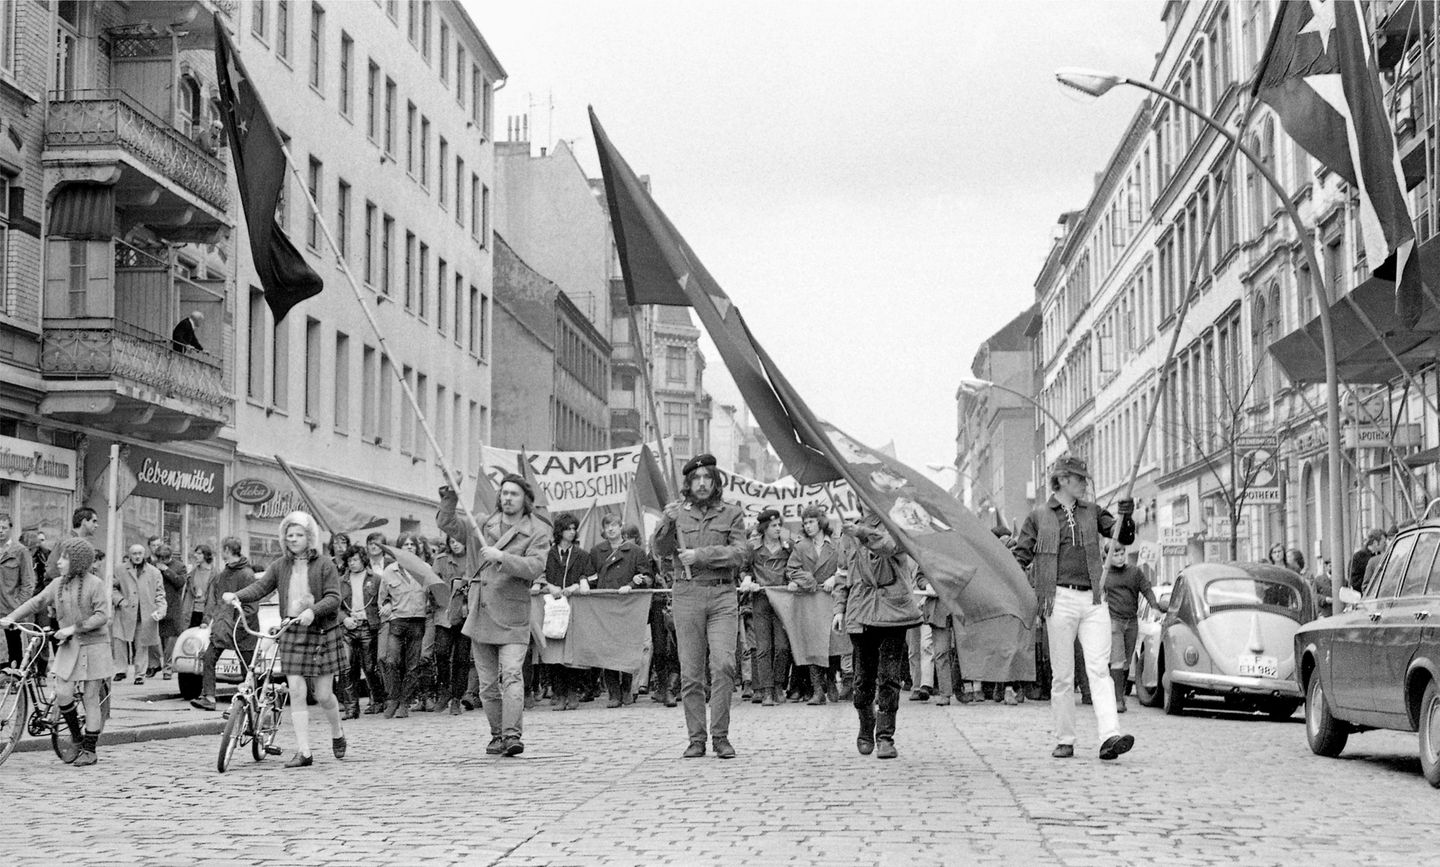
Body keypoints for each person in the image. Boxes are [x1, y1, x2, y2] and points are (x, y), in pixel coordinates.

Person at [1011, 455, 1137, 761]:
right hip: (1058, 600)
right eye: (1080, 479)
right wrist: (1008, 584)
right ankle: (1065, 738)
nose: (1084, 483)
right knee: (1064, 675)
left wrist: (1126, 516)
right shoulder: (1039, 516)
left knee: (1099, 669)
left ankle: (1110, 735)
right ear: (1063, 479)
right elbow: (1021, 557)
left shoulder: (1092, 512)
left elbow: (1123, 536)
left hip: (1094, 599)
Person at [437, 474, 549, 758]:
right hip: (482, 612)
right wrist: (451, 492)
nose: (507, 498)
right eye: (504, 493)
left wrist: (501, 557)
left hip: (513, 615)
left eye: (514, 494)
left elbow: (535, 566)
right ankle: (498, 734)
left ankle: (512, 735)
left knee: (511, 675)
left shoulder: (537, 530)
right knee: (487, 685)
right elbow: (447, 524)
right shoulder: (483, 524)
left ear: (526, 499)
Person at [225, 511, 347, 768]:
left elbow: (334, 597)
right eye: (289, 535)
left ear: (309, 537)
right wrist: (236, 596)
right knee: (297, 692)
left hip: (322, 631)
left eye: (299, 534)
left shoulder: (325, 564)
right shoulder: (280, 565)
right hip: (292, 630)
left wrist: (312, 611)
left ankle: (337, 732)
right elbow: (261, 588)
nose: (293, 539)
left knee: (324, 695)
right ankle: (304, 752)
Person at [652, 453, 747, 759]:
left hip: (722, 595)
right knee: (691, 673)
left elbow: (740, 554)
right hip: (687, 594)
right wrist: (666, 523)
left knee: (723, 665)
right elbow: (659, 550)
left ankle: (720, 736)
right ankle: (696, 738)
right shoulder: (677, 513)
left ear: (716, 482)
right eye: (696, 479)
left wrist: (701, 555)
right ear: (688, 484)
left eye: (708, 478)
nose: (702, 484)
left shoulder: (731, 513)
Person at [3, 537, 114, 765]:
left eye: (65, 557)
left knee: (91, 697)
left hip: (94, 646)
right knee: (63, 692)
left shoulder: (95, 584)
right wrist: (11, 617)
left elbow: (103, 615)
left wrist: (73, 628)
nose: (60, 562)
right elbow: (37, 602)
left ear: (77, 561)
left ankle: (90, 750)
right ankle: (76, 737)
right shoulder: (58, 583)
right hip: (70, 646)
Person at [832, 513, 923, 759]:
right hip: (860, 609)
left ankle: (885, 736)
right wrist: (839, 608)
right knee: (862, 678)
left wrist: (860, 532)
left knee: (889, 676)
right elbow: (842, 574)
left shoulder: (895, 524)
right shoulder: (849, 531)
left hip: (894, 609)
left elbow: (889, 546)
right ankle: (865, 724)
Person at [588, 513, 653, 707]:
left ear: (620, 527)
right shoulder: (596, 551)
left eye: (614, 525)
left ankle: (627, 690)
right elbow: (591, 577)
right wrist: (584, 584)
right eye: (607, 525)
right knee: (608, 649)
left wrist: (634, 583)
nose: (610, 529)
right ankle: (613, 693)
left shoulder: (635, 551)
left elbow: (648, 576)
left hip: (628, 606)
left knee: (627, 648)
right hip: (605, 606)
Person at [191, 537, 258, 712]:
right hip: (224, 626)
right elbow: (215, 601)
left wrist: (239, 625)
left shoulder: (246, 574)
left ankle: (254, 706)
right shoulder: (223, 574)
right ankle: (209, 697)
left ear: (227, 550)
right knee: (209, 658)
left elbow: (251, 606)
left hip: (241, 629)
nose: (221, 553)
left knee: (247, 669)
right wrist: (210, 622)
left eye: (223, 549)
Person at [740, 508, 797, 707]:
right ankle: (766, 690)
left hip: (782, 598)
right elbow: (745, 569)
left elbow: (793, 568)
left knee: (782, 646)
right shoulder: (753, 547)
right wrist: (748, 580)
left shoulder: (787, 547)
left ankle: (779, 685)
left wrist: (792, 581)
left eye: (779, 525)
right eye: (773, 525)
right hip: (761, 598)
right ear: (764, 527)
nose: (777, 529)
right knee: (763, 647)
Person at [539, 513, 595, 711]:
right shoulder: (548, 553)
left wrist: (577, 585)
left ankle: (573, 692)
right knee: (554, 651)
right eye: (568, 528)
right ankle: (559, 693)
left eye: (574, 529)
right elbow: (538, 575)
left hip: (573, 607)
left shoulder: (581, 554)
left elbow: (591, 577)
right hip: (552, 607)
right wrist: (549, 586)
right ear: (559, 531)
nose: (572, 532)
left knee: (571, 652)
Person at [1101, 540, 1163, 714]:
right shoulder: (1104, 574)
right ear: (1108, 556)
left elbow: (1147, 589)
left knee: (1127, 662)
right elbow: (1096, 594)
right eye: (1115, 554)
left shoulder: (1134, 572)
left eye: (1122, 554)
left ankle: (1119, 694)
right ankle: (1117, 700)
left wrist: (1155, 606)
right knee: (1117, 660)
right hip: (1114, 621)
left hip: (1132, 621)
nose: (1120, 558)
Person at [786, 505, 837, 705]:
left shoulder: (835, 544)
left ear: (821, 521)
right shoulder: (800, 547)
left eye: (811, 521)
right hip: (810, 599)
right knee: (811, 643)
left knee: (832, 643)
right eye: (805, 522)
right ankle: (817, 690)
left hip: (830, 598)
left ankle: (831, 680)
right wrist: (807, 579)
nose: (808, 526)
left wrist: (835, 578)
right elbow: (791, 569)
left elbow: (846, 567)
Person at [379, 532, 428, 719]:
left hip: (417, 620)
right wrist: (388, 608)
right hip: (397, 621)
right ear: (398, 548)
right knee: (390, 660)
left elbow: (434, 596)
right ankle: (393, 699)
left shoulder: (424, 569)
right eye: (405, 544)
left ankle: (404, 703)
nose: (409, 547)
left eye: (412, 544)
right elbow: (382, 599)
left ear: (417, 548)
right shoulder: (389, 571)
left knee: (412, 665)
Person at [338, 544, 385, 716]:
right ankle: (351, 707)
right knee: (347, 667)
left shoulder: (377, 579)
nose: (352, 563)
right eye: (349, 560)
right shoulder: (341, 581)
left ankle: (378, 700)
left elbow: (385, 598)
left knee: (370, 667)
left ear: (363, 560)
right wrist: (344, 619)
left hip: (368, 626)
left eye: (355, 559)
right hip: (348, 627)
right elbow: (334, 605)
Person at [432, 535, 472, 716]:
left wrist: (467, 589)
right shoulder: (441, 560)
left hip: (466, 614)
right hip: (445, 612)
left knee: (462, 658)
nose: (455, 544)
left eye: (459, 540)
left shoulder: (473, 558)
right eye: (452, 541)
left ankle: (457, 696)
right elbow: (431, 584)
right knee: (441, 651)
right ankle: (445, 688)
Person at [122, 544, 167, 684]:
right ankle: (120, 670)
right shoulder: (120, 570)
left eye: (140, 553)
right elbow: (113, 587)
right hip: (126, 613)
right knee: (121, 642)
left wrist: (161, 609)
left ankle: (139, 674)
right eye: (134, 553)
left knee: (142, 645)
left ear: (144, 554)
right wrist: (120, 601)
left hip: (144, 614)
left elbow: (160, 593)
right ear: (129, 555)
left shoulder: (153, 572)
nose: (137, 556)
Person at [912, 569, 956, 706]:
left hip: (960, 606)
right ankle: (945, 693)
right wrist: (927, 585)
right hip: (939, 609)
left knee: (965, 651)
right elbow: (920, 576)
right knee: (941, 652)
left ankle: (964, 688)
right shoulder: (928, 550)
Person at [1, 513, 37, 668]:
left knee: (14, 655)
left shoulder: (20, 551)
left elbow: (28, 584)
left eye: (3, 527)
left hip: (11, 612)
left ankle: (15, 684)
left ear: (10, 529)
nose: (0, 531)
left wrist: (18, 607)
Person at [187, 544, 215, 628]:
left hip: (207, 614)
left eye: (199, 554)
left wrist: (206, 620)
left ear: (206, 555)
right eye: (195, 553)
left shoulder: (215, 574)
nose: (196, 555)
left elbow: (213, 599)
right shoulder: (192, 573)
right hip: (192, 613)